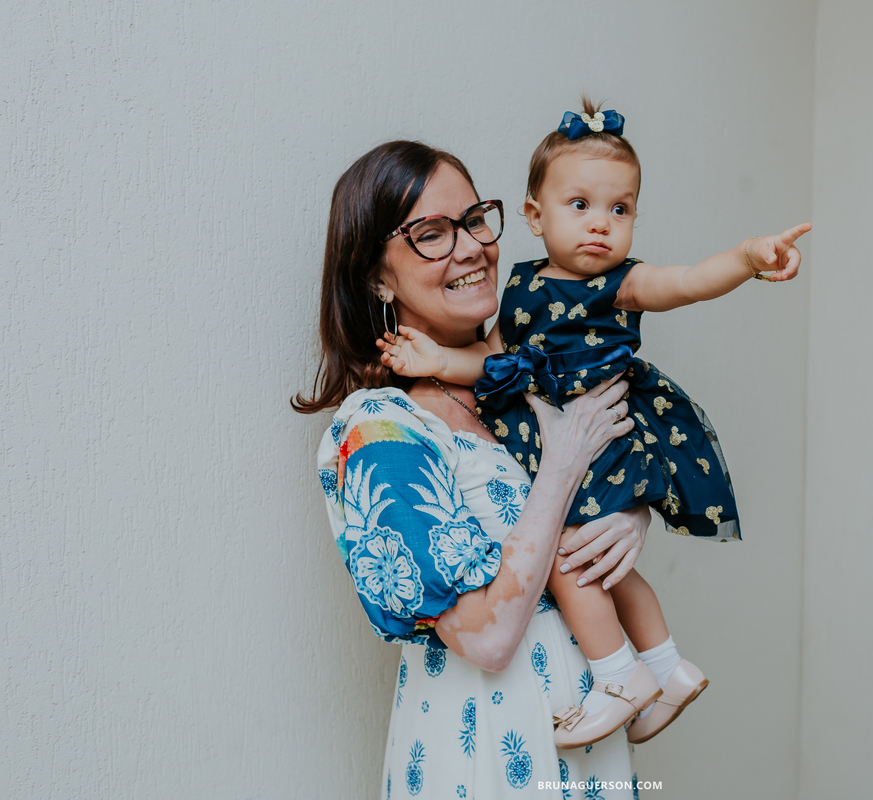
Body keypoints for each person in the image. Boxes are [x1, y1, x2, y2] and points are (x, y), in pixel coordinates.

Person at [376, 98, 810, 748]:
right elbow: (497, 363)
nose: (601, 224)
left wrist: (747, 258)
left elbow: (689, 281)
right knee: (599, 565)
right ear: (535, 216)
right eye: (580, 205)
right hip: (567, 444)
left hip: (606, 441)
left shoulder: (620, 284)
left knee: (567, 560)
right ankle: (667, 667)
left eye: (620, 209)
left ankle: (619, 677)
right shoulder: (520, 290)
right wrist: (436, 360)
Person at [294, 140, 654, 799]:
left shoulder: (524, 384)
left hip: (590, 739)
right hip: (483, 751)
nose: (470, 249)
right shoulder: (381, 429)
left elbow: (594, 492)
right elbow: (486, 639)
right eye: (431, 234)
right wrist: (562, 467)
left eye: (475, 220)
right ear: (376, 277)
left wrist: (628, 517)